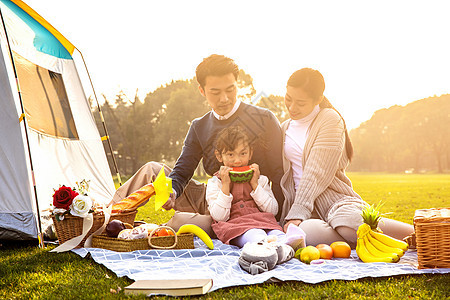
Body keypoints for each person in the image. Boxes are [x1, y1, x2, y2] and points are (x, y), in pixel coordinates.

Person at [108, 54, 285, 234]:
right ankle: (106, 218)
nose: (224, 98)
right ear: (202, 90)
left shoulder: (264, 119)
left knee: (179, 222)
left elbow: (280, 174)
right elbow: (183, 170)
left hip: (252, 207)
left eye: (230, 89)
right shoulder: (199, 126)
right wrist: (173, 191)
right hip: (214, 200)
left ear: (237, 84)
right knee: (152, 169)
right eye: (215, 92)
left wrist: (280, 220)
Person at [279, 68, 414, 248]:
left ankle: (422, 236)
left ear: (318, 100)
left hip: (335, 202)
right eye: (289, 99)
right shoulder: (284, 127)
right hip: (304, 212)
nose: (292, 108)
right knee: (307, 233)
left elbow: (316, 171)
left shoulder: (330, 119)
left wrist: (297, 213)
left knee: (349, 225)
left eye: (301, 103)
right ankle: (364, 241)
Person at [207, 126, 302, 248]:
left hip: (265, 223)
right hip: (236, 228)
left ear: (250, 153)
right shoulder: (216, 183)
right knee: (256, 235)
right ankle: (270, 248)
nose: (237, 161)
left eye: (243, 153)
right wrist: (225, 186)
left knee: (277, 234)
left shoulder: (260, 179)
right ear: (219, 156)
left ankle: (289, 245)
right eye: (230, 154)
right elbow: (219, 217)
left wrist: (255, 185)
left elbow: (272, 211)